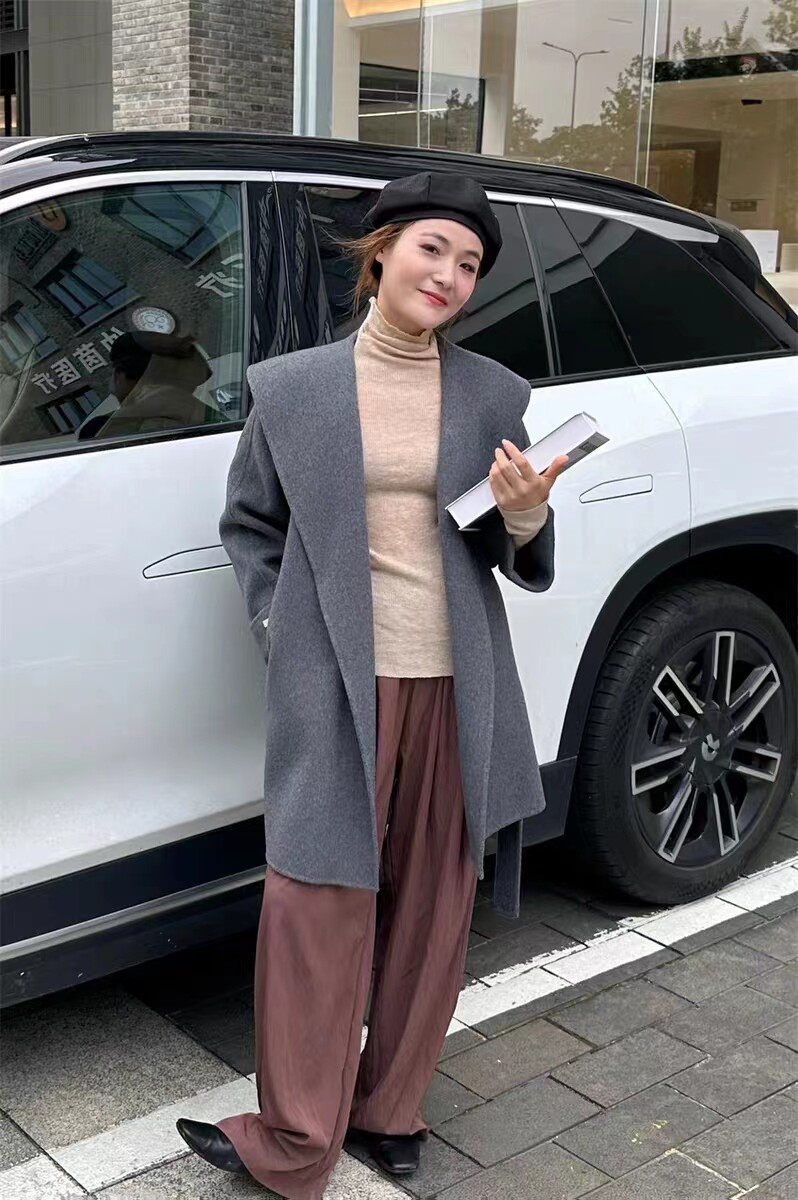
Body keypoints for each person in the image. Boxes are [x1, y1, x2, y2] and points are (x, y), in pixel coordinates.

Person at [176, 171, 568, 1199]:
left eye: (470, 264)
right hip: (339, 681)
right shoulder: (293, 388)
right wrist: (281, 627)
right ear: (382, 251)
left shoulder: (494, 394)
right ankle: (295, 1135)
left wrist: (526, 516)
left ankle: (391, 1111)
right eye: (433, 248)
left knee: (436, 904)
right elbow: (251, 525)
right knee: (315, 901)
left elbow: (504, 543)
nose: (449, 275)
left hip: (459, 682)